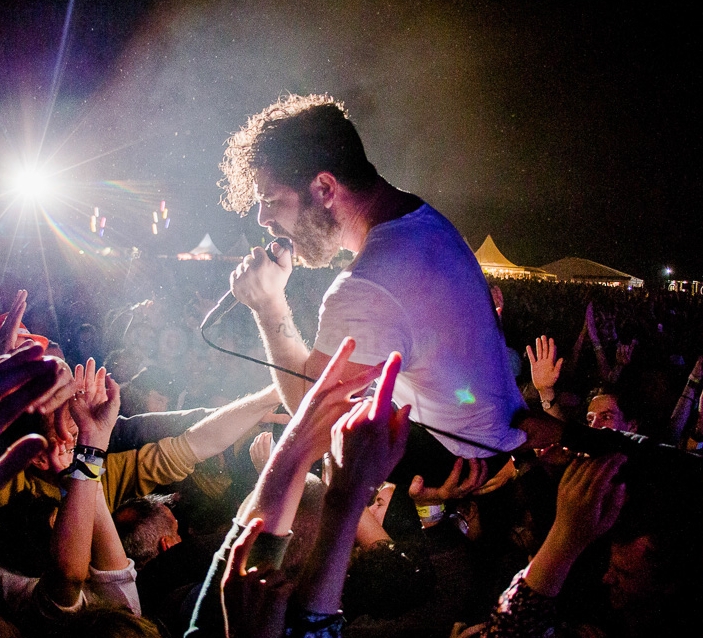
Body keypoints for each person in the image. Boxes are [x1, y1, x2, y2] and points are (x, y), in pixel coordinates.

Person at [221, 94, 527, 471]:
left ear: (324, 188)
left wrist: (268, 305)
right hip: (496, 444)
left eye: (269, 199)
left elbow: (312, 416)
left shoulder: (366, 287)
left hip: (458, 464)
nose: (263, 219)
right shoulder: (419, 217)